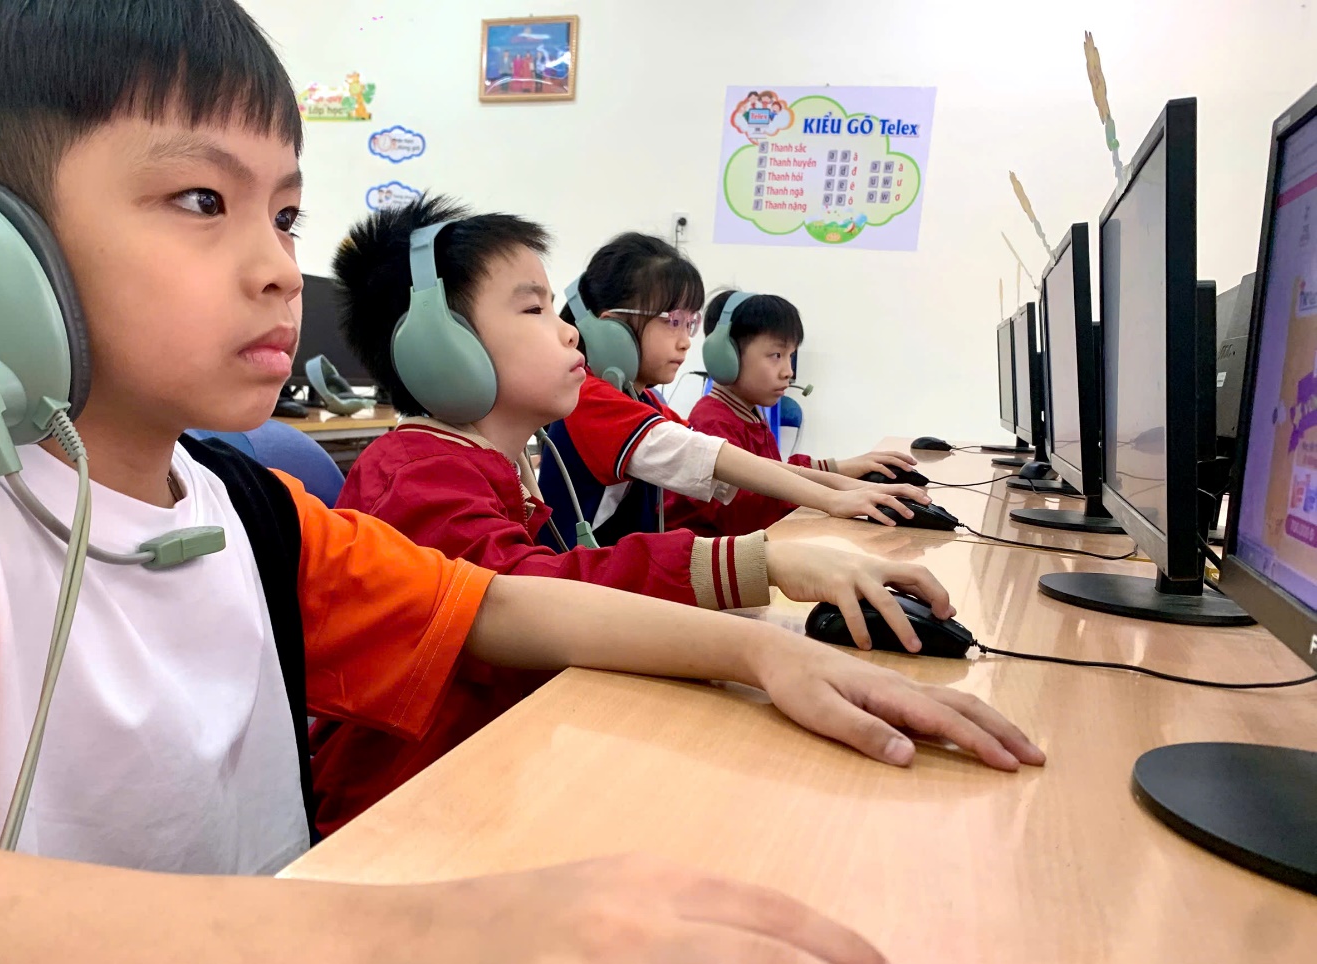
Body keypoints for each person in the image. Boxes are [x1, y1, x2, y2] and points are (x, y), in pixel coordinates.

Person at [0, 3, 1041, 964]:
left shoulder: (244, 508)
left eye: (286, 213)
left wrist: (762, 648)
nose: (278, 266)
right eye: (203, 201)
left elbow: (487, 602)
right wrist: (391, 953)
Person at [323, 195, 1004, 825]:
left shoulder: (495, 464)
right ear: (440, 347)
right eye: (535, 311)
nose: (569, 335)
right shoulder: (411, 473)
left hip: (494, 773)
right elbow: (524, 598)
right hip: (407, 809)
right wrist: (763, 567)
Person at [539, 233, 928, 548]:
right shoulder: (588, 398)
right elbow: (711, 458)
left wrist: (844, 484)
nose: (685, 341)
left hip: (617, 589)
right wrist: (832, 496)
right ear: (610, 327)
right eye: (673, 321)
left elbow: (734, 463)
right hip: (576, 596)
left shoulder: (643, 400)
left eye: (690, 324)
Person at [668, 289, 915, 536]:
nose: (788, 372)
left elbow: (773, 473)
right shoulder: (713, 422)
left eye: (790, 356)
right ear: (725, 356)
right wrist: (830, 495)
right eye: (776, 355)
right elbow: (744, 516)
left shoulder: (749, 413)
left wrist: (842, 470)